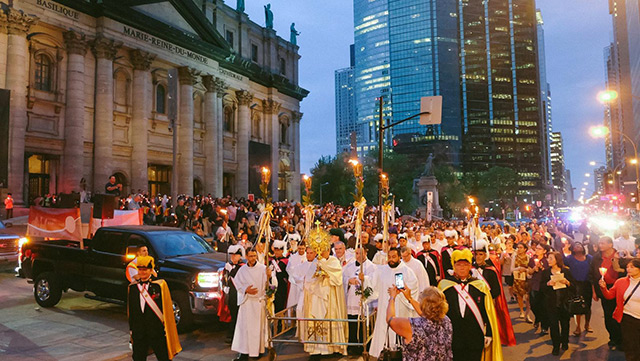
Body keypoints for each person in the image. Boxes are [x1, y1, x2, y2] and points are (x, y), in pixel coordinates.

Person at [438, 249, 501, 361]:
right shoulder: (445, 286)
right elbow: (439, 313)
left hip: (475, 336)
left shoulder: (480, 286)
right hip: (453, 336)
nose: (462, 268)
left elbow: (487, 311)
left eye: (465, 265)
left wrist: (489, 334)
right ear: (454, 266)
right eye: (459, 265)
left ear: (470, 266)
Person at [362, 247, 419, 358]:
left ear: (399, 257)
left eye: (394, 257)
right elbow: (373, 284)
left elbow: (413, 288)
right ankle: (383, 353)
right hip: (385, 308)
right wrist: (364, 279)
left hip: (401, 309)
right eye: (389, 257)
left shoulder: (407, 271)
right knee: (384, 330)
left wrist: (400, 292)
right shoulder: (382, 270)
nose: (391, 260)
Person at [300, 226, 348, 358]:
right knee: (316, 320)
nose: (322, 253)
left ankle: (331, 348)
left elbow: (337, 278)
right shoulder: (315, 262)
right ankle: (316, 349)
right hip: (316, 296)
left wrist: (325, 272)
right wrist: (317, 275)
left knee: (328, 320)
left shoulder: (333, 261)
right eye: (320, 250)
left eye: (325, 250)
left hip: (329, 297)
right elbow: (308, 280)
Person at [127, 256, 181, 361]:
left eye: (145, 270)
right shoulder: (132, 288)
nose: (142, 272)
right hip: (139, 332)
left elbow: (166, 309)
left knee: (163, 357)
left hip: (156, 330)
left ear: (151, 270)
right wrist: (132, 330)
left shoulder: (159, 286)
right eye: (140, 270)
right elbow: (132, 311)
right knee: (138, 358)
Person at [231, 248, 277, 361]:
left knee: (257, 330)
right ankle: (244, 352)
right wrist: (246, 290)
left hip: (258, 303)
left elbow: (273, 285)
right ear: (246, 256)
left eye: (254, 256)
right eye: (250, 256)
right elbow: (237, 283)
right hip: (247, 303)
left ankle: (257, 351)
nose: (253, 258)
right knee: (244, 329)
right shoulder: (242, 270)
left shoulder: (263, 268)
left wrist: (270, 276)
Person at [386, 286, 453, 361]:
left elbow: (390, 319)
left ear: (423, 303)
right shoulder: (446, 320)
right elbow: (427, 314)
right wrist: (409, 298)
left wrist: (392, 298)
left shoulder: (413, 325)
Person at [474, 247, 516, 347]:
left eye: (481, 254)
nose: (478, 257)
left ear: (485, 255)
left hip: (487, 303)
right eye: (476, 254)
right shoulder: (471, 270)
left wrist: (487, 298)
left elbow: (496, 290)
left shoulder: (491, 270)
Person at [599, 258, 640, 361]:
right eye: (627, 267)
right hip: (628, 318)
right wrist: (604, 288)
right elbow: (609, 296)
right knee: (630, 346)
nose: (628, 269)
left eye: (632, 267)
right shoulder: (620, 282)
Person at [590, 236, 624, 350]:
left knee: (619, 314)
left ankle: (621, 339)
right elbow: (592, 275)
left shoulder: (619, 255)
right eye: (599, 243)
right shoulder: (597, 258)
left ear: (610, 244)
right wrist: (594, 291)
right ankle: (613, 338)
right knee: (608, 314)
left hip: (619, 288)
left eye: (603, 243)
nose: (600, 245)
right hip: (604, 288)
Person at [342, 247, 376, 356]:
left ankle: (364, 345)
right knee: (352, 322)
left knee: (363, 323)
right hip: (351, 300)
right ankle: (352, 346)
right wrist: (348, 281)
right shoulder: (349, 265)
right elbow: (342, 278)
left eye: (361, 253)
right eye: (356, 253)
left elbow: (374, 282)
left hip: (364, 300)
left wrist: (364, 279)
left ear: (366, 252)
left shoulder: (372, 267)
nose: (358, 255)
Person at [541, 252, 576, 355]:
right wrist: (548, 284)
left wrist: (567, 282)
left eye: (551, 258)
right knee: (553, 325)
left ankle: (564, 341)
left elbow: (574, 287)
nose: (548, 260)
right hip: (551, 303)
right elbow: (541, 288)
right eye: (548, 258)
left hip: (564, 302)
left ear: (557, 259)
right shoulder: (546, 272)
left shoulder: (566, 271)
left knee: (565, 324)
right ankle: (556, 345)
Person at [563, 242, 593, 335]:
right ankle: (578, 327)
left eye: (580, 245)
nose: (578, 247)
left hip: (587, 284)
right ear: (573, 249)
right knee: (577, 305)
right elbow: (562, 262)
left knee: (588, 305)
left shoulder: (589, 258)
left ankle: (587, 324)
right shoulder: (570, 258)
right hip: (575, 284)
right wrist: (564, 249)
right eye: (576, 246)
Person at [222, 245, 245, 344]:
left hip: (239, 293)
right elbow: (226, 278)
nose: (233, 257)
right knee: (232, 314)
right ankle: (232, 334)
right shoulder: (230, 265)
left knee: (238, 315)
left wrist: (231, 270)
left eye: (235, 255)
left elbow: (237, 276)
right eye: (231, 255)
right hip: (232, 293)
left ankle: (235, 335)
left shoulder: (243, 266)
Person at [528, 243, 550, 334]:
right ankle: (538, 317)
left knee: (544, 306)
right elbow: (529, 272)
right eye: (536, 248)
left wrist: (542, 268)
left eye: (540, 249)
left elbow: (549, 272)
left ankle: (544, 326)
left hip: (544, 285)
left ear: (544, 251)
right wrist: (534, 269)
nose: (537, 250)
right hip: (535, 284)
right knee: (533, 304)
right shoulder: (532, 259)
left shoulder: (547, 260)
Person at [269, 240, 289, 314]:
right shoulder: (271, 260)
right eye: (275, 250)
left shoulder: (286, 261)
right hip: (272, 286)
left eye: (278, 250)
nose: (277, 252)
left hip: (281, 286)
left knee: (280, 306)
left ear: (282, 251)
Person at [285, 241, 306, 310]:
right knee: (293, 300)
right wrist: (296, 276)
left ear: (305, 248)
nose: (301, 250)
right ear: (297, 247)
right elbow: (288, 269)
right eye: (299, 248)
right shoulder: (292, 257)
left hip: (304, 283)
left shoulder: (307, 256)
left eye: (302, 248)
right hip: (294, 283)